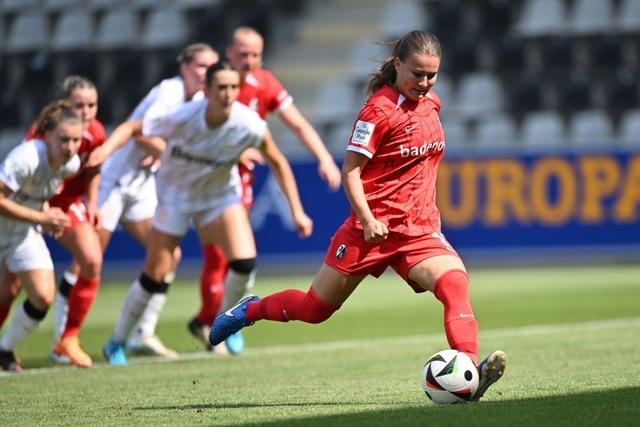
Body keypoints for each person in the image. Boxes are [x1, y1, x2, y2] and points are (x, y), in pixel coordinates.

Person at [208, 31, 507, 401]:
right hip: (370, 230)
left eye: (432, 75)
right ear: (397, 64)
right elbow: (350, 171)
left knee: (455, 286)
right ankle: (250, 310)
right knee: (315, 308)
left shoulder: (432, 103)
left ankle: (469, 373)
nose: (425, 83)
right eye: (418, 74)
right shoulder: (377, 111)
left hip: (418, 229)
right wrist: (367, 220)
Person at [101, 61, 313, 365]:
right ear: (207, 90)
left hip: (219, 195)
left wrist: (297, 210)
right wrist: (105, 151)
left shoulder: (249, 123)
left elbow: (277, 161)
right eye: (221, 87)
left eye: (233, 87)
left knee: (244, 262)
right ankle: (117, 341)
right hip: (175, 196)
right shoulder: (183, 116)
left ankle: (227, 322)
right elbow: (134, 127)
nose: (228, 94)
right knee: (155, 274)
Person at [185, 26, 342, 353]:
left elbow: (297, 123)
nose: (249, 60)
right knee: (219, 257)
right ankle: (215, 320)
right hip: (204, 178)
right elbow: (194, 129)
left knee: (236, 260)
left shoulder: (265, 83)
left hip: (239, 180)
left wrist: (324, 157)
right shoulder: (218, 85)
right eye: (243, 54)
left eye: (255, 54)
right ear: (228, 53)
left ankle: (216, 319)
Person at [79, 43, 219, 359]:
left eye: (211, 67)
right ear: (183, 66)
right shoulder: (168, 92)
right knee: (88, 260)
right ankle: (65, 339)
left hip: (141, 186)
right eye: (200, 66)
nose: (205, 73)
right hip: (115, 179)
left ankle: (142, 333)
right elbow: (140, 133)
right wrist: (170, 155)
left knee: (168, 256)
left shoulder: (198, 98)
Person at [0, 76, 106, 368]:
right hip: (12, 222)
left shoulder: (71, 161)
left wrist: (50, 212)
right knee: (6, 292)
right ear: (48, 134)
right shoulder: (26, 156)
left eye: (91, 105)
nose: (72, 146)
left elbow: (43, 189)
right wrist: (42, 216)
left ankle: (6, 349)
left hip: (23, 230)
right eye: (64, 140)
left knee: (42, 296)